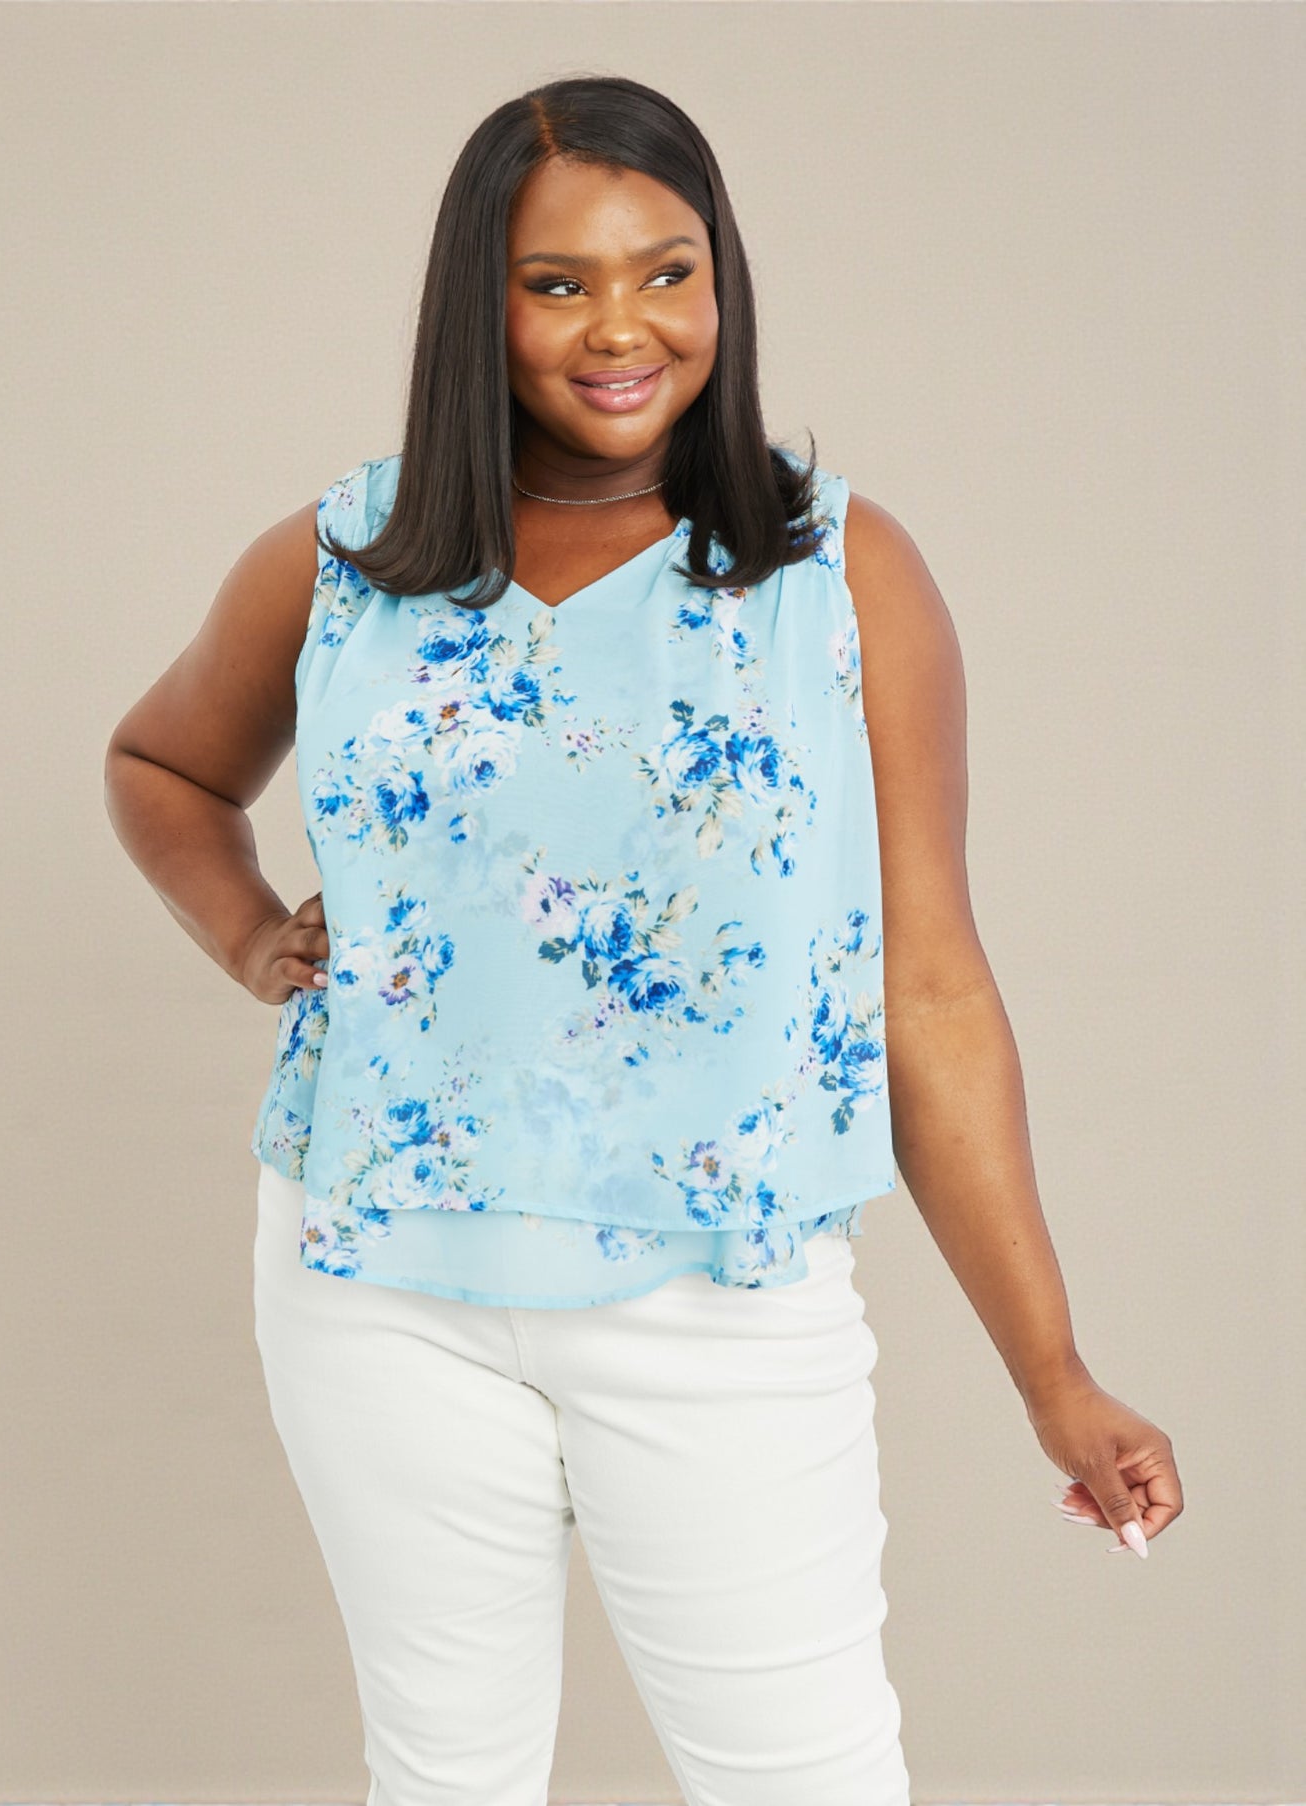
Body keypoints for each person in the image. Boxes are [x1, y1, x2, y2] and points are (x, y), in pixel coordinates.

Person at [104, 73, 1183, 1806]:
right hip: (373, 1277)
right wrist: (247, 939)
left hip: (717, 1295)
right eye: (558, 282)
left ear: (722, 285)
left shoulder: (839, 574)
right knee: (444, 1776)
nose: (623, 326)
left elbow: (928, 987)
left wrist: (1053, 1373)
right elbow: (160, 764)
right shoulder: (348, 563)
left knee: (803, 1779)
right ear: (482, 303)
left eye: (667, 271)